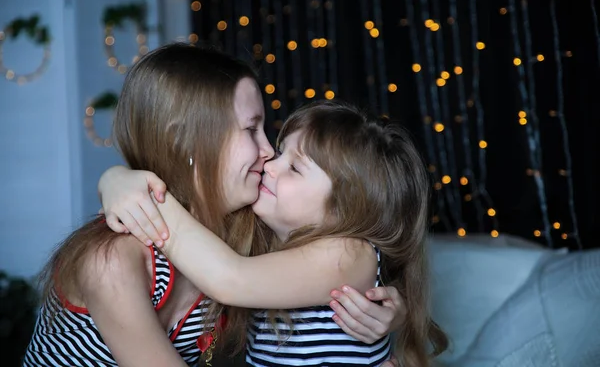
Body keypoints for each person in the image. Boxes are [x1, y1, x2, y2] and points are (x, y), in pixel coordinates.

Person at [23, 44, 404, 367]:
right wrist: (120, 180)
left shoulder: (243, 236)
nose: (267, 153)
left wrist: (394, 314)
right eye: (251, 129)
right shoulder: (111, 260)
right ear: (184, 142)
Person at [109, 100, 448, 366]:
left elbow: (229, 280)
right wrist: (114, 178)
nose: (270, 163)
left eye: (295, 167)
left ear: (345, 207)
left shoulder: (351, 253)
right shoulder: (268, 241)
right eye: (282, 151)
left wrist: (146, 193)